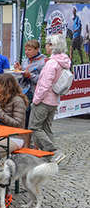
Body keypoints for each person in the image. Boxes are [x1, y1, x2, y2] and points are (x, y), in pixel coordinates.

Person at [29, 34, 71, 162]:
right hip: (54, 100)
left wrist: (36, 100)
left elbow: (44, 84)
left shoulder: (52, 63)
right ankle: (51, 157)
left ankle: (54, 152)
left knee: (35, 127)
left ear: (52, 46)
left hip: (44, 100)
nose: (45, 47)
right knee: (46, 129)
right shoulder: (63, 62)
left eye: (47, 45)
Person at [0, 73, 28, 154]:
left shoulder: (18, 101)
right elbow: (1, 120)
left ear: (5, 87)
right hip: (0, 135)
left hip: (15, 137)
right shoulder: (0, 98)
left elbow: (18, 124)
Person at [15, 39, 46, 121]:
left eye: (29, 50)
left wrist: (30, 75)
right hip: (24, 92)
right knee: (23, 115)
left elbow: (44, 79)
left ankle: (29, 132)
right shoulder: (25, 61)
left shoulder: (43, 62)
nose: (26, 52)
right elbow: (22, 77)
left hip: (35, 93)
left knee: (31, 118)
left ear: (37, 49)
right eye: (25, 50)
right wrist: (19, 70)